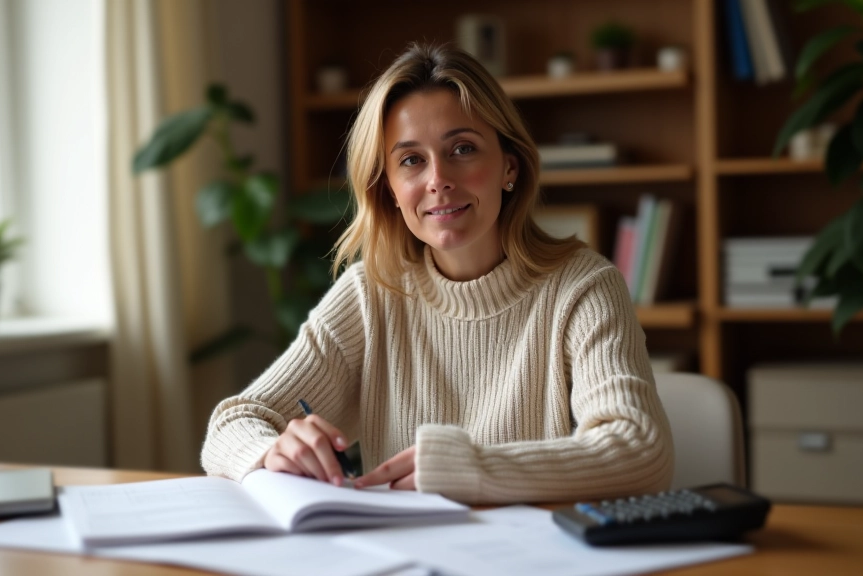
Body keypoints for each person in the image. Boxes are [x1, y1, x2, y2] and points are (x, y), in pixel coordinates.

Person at [201, 42, 673, 505]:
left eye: (462, 148)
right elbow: (232, 423)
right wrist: (273, 450)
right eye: (411, 160)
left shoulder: (582, 287)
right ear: (388, 187)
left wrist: (468, 467)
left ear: (509, 166)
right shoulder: (371, 293)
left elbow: (641, 451)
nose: (438, 179)